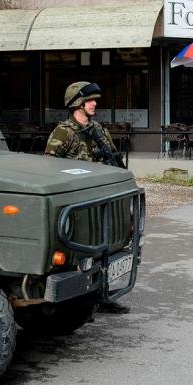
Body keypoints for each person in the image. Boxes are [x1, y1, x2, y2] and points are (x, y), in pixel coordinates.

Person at [47, 81, 128, 314]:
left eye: (93, 101)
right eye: (89, 101)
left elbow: (113, 159)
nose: (94, 104)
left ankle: (101, 296)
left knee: (106, 248)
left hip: (102, 198)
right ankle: (81, 301)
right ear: (77, 104)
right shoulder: (64, 132)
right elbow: (48, 166)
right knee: (83, 252)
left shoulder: (99, 130)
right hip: (78, 203)